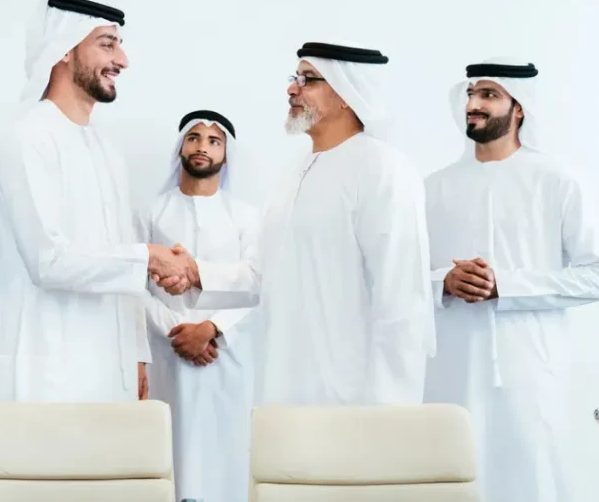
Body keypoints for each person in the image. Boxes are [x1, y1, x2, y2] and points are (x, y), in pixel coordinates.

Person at [159, 42, 435, 406]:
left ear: (346, 95)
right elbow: (265, 274)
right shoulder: (294, 173)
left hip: (354, 396)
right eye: (295, 78)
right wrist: (197, 274)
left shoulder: (384, 169)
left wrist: (389, 412)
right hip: (284, 382)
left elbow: (402, 301)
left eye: (308, 80)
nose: (292, 89)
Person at [422, 59, 599, 502]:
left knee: (533, 481)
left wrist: (505, 286)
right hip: (451, 370)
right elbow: (400, 278)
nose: (473, 103)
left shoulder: (558, 181)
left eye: (488, 95)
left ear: (520, 107)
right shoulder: (432, 187)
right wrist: (444, 280)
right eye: (471, 93)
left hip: (531, 369)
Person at [0, 0, 193, 403]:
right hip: (48, 368)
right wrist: (149, 256)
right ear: (64, 50)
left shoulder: (107, 149)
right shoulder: (29, 137)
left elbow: (120, 260)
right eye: (107, 43)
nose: (123, 60)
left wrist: (136, 355)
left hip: (109, 366)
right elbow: (48, 261)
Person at [137, 110, 259, 502]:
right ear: (181, 147)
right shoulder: (151, 212)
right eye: (194, 137)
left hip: (225, 357)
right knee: (166, 457)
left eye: (213, 140)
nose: (202, 146)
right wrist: (176, 330)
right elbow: (131, 284)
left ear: (226, 153)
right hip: (165, 353)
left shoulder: (247, 217)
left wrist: (210, 329)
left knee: (224, 460)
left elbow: (258, 284)